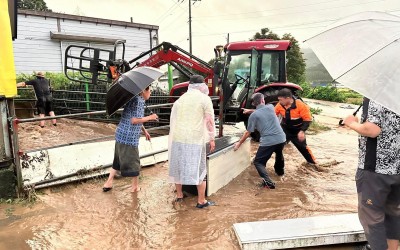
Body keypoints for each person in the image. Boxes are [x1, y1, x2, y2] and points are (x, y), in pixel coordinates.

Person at [343, 98, 400, 250]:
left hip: (375, 169)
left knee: (371, 217)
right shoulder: (396, 91)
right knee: (393, 212)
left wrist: (351, 122)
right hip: (398, 168)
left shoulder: (377, 95)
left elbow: (372, 130)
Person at [168, 75, 216, 208]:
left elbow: (174, 120)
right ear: (202, 86)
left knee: (178, 167)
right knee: (200, 169)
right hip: (194, 139)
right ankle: (201, 201)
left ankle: (179, 195)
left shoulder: (180, 100)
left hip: (178, 138)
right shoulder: (204, 99)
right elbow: (210, 121)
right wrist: (212, 138)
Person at [102, 86, 158, 193]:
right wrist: (150, 117)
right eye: (149, 91)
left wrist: (144, 131)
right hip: (129, 137)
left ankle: (108, 183)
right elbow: (134, 120)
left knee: (117, 160)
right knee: (135, 163)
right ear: (143, 91)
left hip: (121, 134)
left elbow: (136, 118)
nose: (150, 93)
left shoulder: (134, 98)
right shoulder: (138, 101)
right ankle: (135, 187)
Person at [234, 93, 286, 189]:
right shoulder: (270, 107)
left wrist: (239, 143)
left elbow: (248, 132)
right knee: (279, 153)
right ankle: (280, 173)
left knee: (258, 162)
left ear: (253, 103)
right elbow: (262, 110)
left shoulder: (254, 116)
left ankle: (268, 182)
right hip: (282, 138)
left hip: (269, 141)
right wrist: (251, 111)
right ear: (263, 101)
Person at [275, 88, 316, 164]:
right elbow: (272, 115)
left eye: (281, 100)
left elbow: (307, 120)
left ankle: (313, 163)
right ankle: (260, 159)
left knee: (303, 148)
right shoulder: (279, 105)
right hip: (285, 130)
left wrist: (302, 131)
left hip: (297, 131)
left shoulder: (301, 105)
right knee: (275, 144)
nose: (279, 102)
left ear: (288, 98)